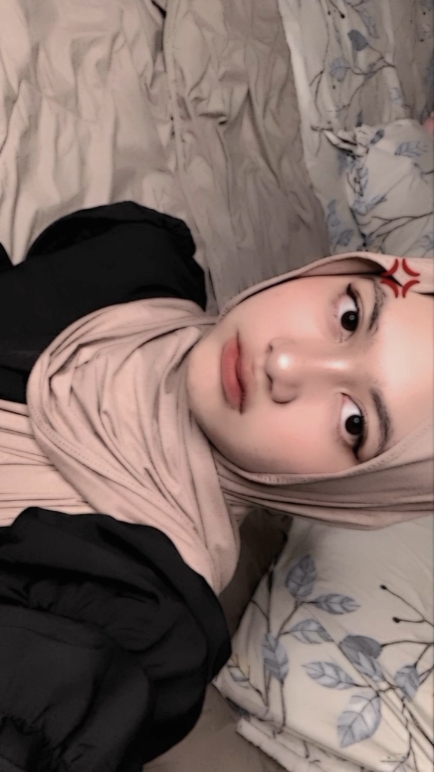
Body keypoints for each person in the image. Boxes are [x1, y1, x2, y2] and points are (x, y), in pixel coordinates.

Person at [0, 202, 432, 770]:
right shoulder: (138, 257)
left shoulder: (135, 620)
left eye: (355, 423)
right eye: (350, 316)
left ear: (350, 492)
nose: (284, 363)